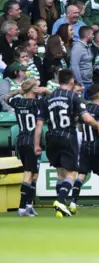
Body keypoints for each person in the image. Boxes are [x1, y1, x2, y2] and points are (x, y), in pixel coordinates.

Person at [34, 69, 99, 217]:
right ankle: (60, 200)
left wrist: (37, 144)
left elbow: (39, 124)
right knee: (72, 175)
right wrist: (98, 125)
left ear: (58, 81)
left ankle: (61, 208)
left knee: (60, 174)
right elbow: (88, 119)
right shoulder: (74, 97)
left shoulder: (47, 99)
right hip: (67, 136)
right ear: (71, 82)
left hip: (51, 137)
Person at [67, 85, 99, 215]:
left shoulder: (84, 109)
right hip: (97, 148)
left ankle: (73, 202)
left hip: (85, 146)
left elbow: (79, 127)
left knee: (81, 176)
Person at [2, 78, 49, 217]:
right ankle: (22, 207)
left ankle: (28, 204)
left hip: (21, 140)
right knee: (29, 174)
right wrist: (47, 91)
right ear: (33, 89)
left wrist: (19, 91)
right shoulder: (38, 103)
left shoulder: (18, 101)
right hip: (32, 141)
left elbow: (4, 97)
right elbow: (54, 100)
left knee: (34, 173)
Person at [70, 26, 94, 91]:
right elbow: (74, 66)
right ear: (87, 35)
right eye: (92, 34)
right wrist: (80, 84)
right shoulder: (77, 48)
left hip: (90, 81)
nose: (93, 36)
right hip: (82, 83)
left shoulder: (88, 46)